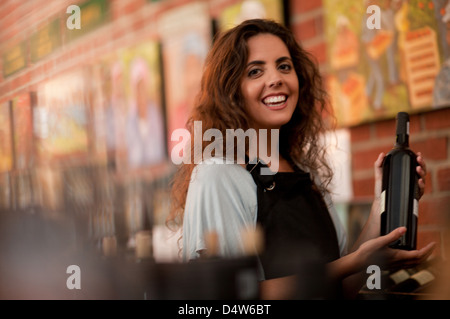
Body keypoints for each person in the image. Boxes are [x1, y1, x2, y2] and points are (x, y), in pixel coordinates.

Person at [167, 19, 434, 299]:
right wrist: (351, 263)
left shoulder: (305, 171)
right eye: (255, 71)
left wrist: (380, 210)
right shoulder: (217, 174)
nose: (276, 79)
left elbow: (342, 284)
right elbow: (231, 297)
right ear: (230, 90)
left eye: (284, 66)